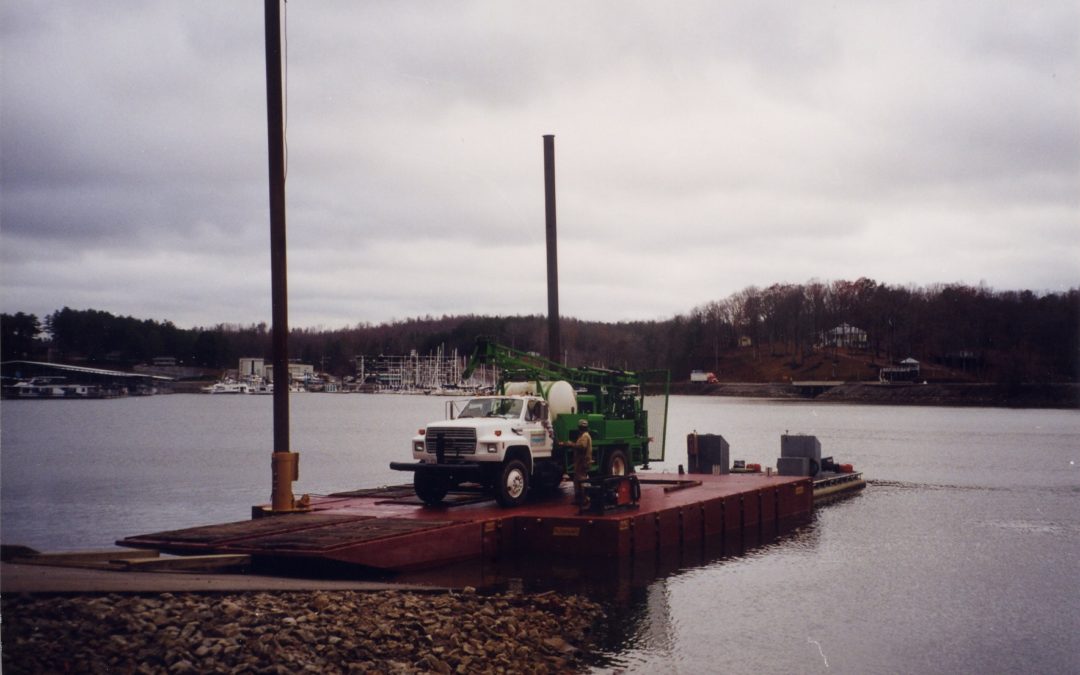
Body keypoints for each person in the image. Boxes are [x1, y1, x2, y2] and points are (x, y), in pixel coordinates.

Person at [572, 418, 593, 506]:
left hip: (582, 461)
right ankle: (579, 499)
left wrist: (572, 444)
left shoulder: (584, 436)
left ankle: (585, 498)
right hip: (582, 461)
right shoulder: (585, 435)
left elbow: (582, 446)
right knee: (577, 480)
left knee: (582, 480)